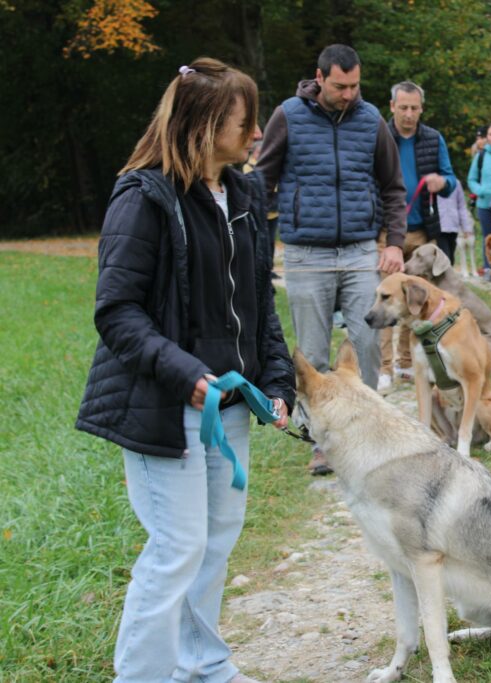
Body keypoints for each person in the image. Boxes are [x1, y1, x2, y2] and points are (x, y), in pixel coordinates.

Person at [75, 58, 294, 683]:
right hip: (163, 406)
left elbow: (258, 304)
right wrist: (186, 374)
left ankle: (204, 667)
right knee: (176, 550)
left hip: (229, 410)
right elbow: (116, 313)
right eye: (244, 122)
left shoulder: (244, 192)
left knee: (214, 543)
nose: (256, 134)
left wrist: (275, 383)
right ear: (203, 124)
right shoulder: (142, 196)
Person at [256, 44, 406, 475]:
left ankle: (373, 433)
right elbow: (262, 182)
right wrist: (256, 245)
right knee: (313, 352)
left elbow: (392, 186)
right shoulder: (288, 115)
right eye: (341, 86)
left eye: (355, 85)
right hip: (306, 252)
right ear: (320, 79)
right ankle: (322, 441)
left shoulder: (372, 119)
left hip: (360, 249)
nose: (349, 94)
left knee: (367, 341)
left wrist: (393, 243)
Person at [377, 80, 458, 392]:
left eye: (414, 108)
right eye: (403, 107)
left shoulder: (433, 139)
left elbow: (451, 179)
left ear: (421, 108)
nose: (409, 114)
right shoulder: (380, 135)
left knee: (417, 301)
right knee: (387, 298)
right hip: (387, 232)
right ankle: (385, 368)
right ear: (393, 106)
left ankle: (408, 363)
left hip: (424, 231)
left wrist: (442, 181)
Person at [467, 123, 491, 279]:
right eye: (490, 134)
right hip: (484, 204)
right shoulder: (480, 156)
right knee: (488, 237)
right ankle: (488, 269)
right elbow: (471, 179)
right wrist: (480, 191)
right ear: (487, 137)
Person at [436, 179, 475, 263]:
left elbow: (462, 207)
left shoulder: (456, 183)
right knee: (445, 259)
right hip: (438, 227)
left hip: (453, 227)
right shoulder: (433, 181)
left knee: (451, 259)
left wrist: (466, 228)